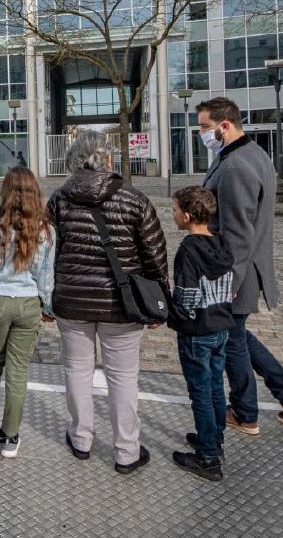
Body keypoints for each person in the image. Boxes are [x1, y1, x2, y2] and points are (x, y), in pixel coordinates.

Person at [46, 131, 168, 473]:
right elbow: (154, 253)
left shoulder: (59, 200)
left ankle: (81, 438)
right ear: (108, 159)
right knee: (124, 377)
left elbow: (47, 252)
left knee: (77, 370)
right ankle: (127, 451)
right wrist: (160, 299)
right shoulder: (135, 199)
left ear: (74, 159)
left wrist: (48, 296)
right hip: (122, 305)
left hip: (72, 301)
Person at [196, 97, 283, 434]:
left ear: (225, 126)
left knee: (232, 340)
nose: (201, 133)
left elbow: (236, 231)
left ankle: (246, 412)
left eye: (205, 126)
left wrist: (228, 282)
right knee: (238, 336)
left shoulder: (235, 166)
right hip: (246, 266)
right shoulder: (252, 155)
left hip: (237, 270)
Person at [0, 166, 55, 459]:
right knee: (18, 369)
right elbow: (46, 278)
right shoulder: (45, 231)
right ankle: (10, 436)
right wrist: (48, 308)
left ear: (6, 193)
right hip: (29, 303)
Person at [167, 186, 235, 482]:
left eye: (172, 211)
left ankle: (207, 457)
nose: (171, 215)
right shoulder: (222, 244)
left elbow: (187, 297)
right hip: (221, 325)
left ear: (186, 215)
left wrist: (169, 308)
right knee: (216, 387)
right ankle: (215, 439)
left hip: (197, 330)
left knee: (200, 393)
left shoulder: (188, 250)